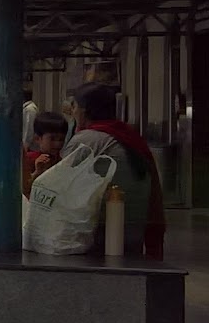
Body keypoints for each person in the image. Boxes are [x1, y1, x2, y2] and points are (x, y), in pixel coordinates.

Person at [61, 82, 165, 260]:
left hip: (99, 233)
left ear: (84, 110)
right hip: (135, 229)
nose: (74, 112)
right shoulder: (129, 136)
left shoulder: (88, 140)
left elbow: (60, 183)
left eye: (75, 107)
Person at [23, 111, 69, 199]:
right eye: (52, 139)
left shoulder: (62, 162)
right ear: (37, 139)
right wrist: (37, 172)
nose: (58, 144)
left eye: (61, 139)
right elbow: (25, 189)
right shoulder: (29, 159)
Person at [21, 87, 40, 152]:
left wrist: (26, 145)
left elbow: (29, 128)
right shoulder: (26, 108)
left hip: (30, 147)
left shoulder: (30, 110)